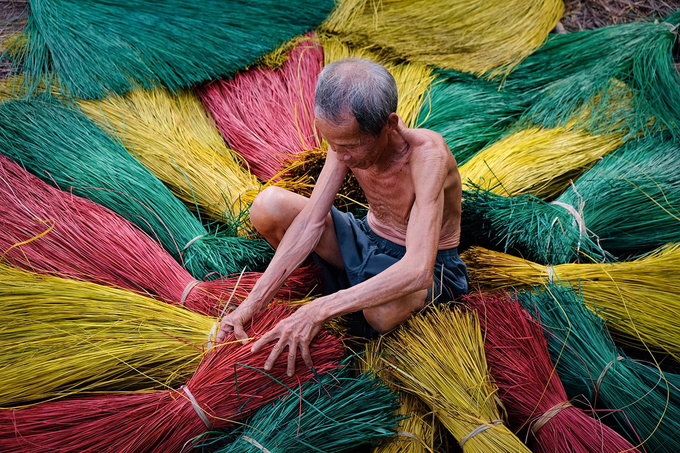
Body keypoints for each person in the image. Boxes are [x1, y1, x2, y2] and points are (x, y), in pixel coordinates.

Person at [216, 58, 468, 376]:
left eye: (350, 146)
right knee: (269, 206)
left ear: (389, 125)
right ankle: (344, 294)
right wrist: (251, 305)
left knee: (381, 311)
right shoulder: (343, 143)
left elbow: (418, 269)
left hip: (425, 266)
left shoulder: (426, 156)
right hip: (366, 237)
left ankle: (342, 302)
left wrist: (319, 308)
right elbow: (310, 221)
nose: (341, 155)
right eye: (333, 144)